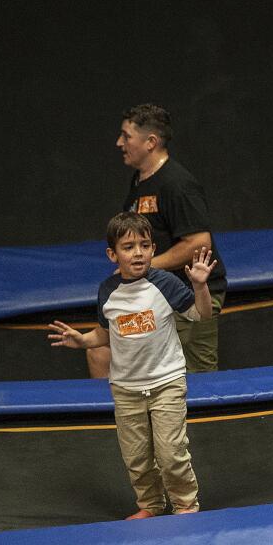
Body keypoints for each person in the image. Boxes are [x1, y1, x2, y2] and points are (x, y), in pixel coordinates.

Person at [49, 212, 218, 518]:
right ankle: (150, 505)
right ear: (113, 254)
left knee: (171, 453)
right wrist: (83, 340)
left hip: (166, 381)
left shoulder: (164, 283)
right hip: (126, 388)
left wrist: (200, 287)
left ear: (153, 249)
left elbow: (200, 314)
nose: (138, 252)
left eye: (144, 245)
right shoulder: (107, 290)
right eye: (128, 247)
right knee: (137, 457)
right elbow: (106, 331)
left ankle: (185, 504)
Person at [86, 103, 227, 378]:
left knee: (196, 376)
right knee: (102, 351)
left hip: (190, 292)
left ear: (150, 142)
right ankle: (121, 417)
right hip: (155, 291)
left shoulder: (177, 184)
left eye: (126, 136)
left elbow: (199, 242)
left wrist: (145, 266)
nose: (119, 143)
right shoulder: (140, 181)